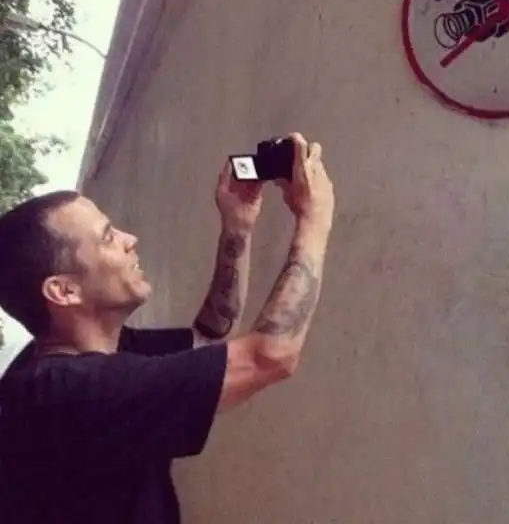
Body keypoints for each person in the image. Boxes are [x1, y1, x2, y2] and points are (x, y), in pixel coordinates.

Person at [0, 132, 335, 524]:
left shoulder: (95, 355)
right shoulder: (65, 393)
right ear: (64, 291)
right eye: (108, 237)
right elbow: (270, 356)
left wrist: (237, 227)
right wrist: (315, 220)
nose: (130, 239)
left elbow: (210, 337)